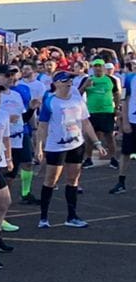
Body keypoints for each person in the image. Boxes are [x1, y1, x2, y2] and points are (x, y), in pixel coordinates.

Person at [35, 71, 92, 228]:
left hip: (76, 144)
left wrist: (97, 143)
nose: (69, 83)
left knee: (73, 180)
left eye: (71, 80)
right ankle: (44, 217)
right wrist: (39, 147)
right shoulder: (50, 101)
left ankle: (72, 216)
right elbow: (42, 126)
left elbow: (86, 123)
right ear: (57, 83)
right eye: (66, 80)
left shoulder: (77, 99)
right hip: (56, 146)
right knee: (51, 180)